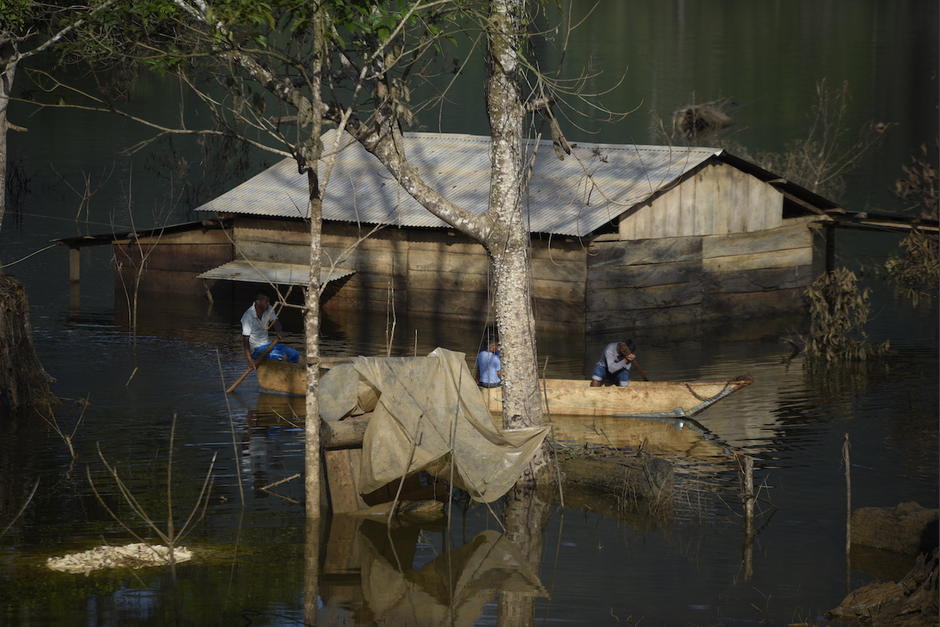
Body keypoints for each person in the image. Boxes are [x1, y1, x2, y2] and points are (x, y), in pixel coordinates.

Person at [240, 292, 300, 370]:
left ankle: (289, 372)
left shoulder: (269, 308)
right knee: (279, 357)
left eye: (268, 301)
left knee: (294, 354)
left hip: (268, 345)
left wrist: (279, 331)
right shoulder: (248, 316)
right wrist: (249, 360)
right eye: (266, 301)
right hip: (256, 350)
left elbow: (276, 322)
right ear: (258, 302)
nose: (268, 304)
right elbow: (245, 341)